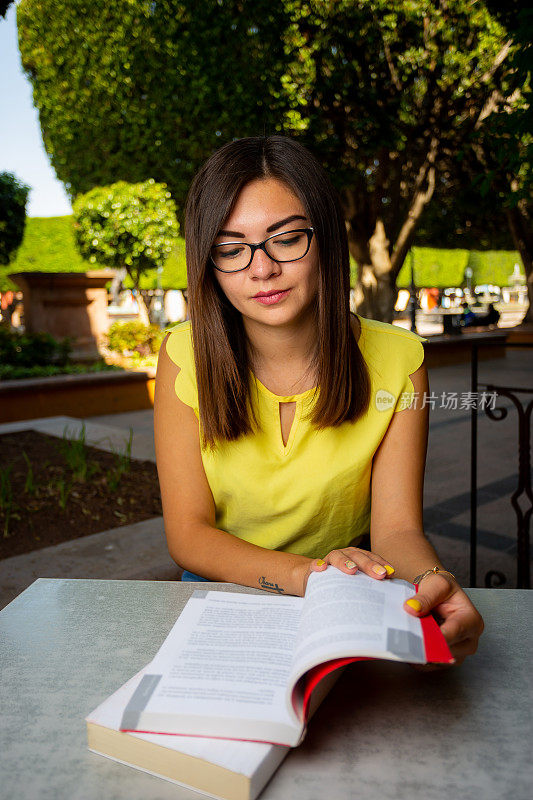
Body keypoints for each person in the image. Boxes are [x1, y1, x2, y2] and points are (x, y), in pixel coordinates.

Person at [154, 135, 484, 667]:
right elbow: (188, 535)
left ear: (325, 238)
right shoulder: (182, 355)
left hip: (345, 594)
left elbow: (397, 530)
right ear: (208, 263)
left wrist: (431, 583)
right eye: (231, 249)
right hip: (226, 586)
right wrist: (305, 575)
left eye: (285, 239)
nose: (261, 270)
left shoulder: (401, 362)